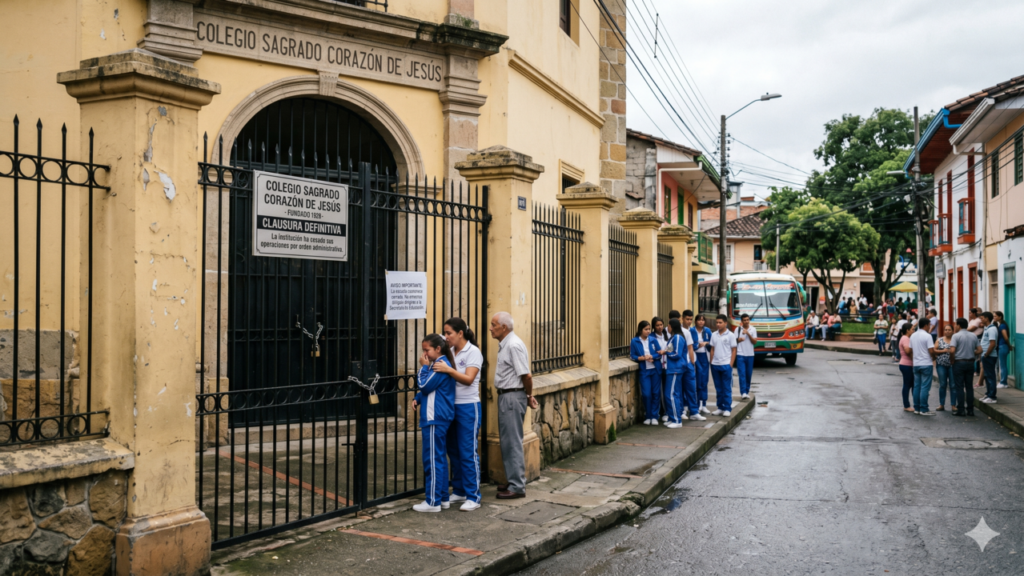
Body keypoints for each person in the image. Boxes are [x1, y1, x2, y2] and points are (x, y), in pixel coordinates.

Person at [434, 318, 483, 511]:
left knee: (467, 451)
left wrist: (449, 369)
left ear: (460, 333)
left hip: (468, 407)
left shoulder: (473, 352)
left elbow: (469, 379)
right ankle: (460, 490)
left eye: (449, 333)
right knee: (453, 450)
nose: (446, 337)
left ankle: (474, 496)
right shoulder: (450, 351)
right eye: (444, 333)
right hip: (450, 407)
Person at [488, 312, 537, 499]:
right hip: (508, 396)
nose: (491, 328)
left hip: (511, 397)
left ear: (504, 328)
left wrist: (529, 394)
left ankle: (517, 486)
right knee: (508, 441)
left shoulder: (513, 345)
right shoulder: (507, 344)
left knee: (512, 442)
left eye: (494, 325)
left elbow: (526, 375)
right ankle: (513, 480)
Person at [412, 334, 457, 512]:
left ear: (437, 349)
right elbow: (430, 389)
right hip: (437, 416)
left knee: (432, 459)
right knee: (438, 458)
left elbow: (425, 385)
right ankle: (443, 497)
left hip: (434, 417)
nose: (424, 354)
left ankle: (433, 501)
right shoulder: (439, 364)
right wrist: (418, 398)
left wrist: (423, 368)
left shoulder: (438, 365)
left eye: (427, 350)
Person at [665, 318, 702, 427]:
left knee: (672, 395)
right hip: (672, 369)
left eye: (668, 325)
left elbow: (676, 353)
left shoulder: (677, 337)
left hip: (675, 369)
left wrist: (666, 353)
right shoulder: (674, 337)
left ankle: (677, 420)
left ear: (672, 326)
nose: (667, 327)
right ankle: (672, 418)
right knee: (671, 394)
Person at [630, 320, 662, 425]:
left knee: (656, 393)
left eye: (649, 329)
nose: (648, 331)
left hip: (655, 370)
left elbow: (660, 353)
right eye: (646, 329)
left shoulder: (653, 340)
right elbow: (632, 356)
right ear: (640, 330)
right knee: (646, 394)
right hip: (644, 371)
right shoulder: (635, 341)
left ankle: (654, 416)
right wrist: (643, 358)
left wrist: (652, 356)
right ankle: (647, 415)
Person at [951, 317, 981, 417]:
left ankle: (961, 409)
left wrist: (952, 359)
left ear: (958, 325)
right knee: (969, 387)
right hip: (970, 363)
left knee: (959, 386)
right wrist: (972, 353)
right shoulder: (973, 336)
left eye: (956, 324)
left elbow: (952, 351)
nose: (955, 326)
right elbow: (980, 350)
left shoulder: (956, 336)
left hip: (959, 363)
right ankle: (970, 410)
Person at [708, 314, 736, 416]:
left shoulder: (731, 335)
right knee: (718, 388)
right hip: (715, 365)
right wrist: (711, 362)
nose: (718, 324)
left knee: (726, 388)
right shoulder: (714, 334)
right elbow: (712, 349)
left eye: (720, 323)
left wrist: (730, 364)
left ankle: (727, 408)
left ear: (725, 323)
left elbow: (734, 350)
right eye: (717, 323)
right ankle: (720, 407)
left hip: (726, 365)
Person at [909, 318, 936, 415]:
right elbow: (931, 351)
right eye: (929, 325)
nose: (930, 327)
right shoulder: (928, 336)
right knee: (925, 387)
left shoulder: (913, 336)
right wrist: (933, 358)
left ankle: (917, 408)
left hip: (916, 364)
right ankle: (924, 409)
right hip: (926, 363)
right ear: (925, 325)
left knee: (917, 386)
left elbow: (910, 350)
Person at [690, 314, 713, 415]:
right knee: (696, 381)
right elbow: (690, 345)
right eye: (699, 320)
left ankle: (703, 404)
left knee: (704, 380)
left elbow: (712, 344)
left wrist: (706, 343)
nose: (701, 322)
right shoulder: (691, 331)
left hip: (704, 356)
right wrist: (698, 345)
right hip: (695, 356)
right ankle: (696, 403)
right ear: (695, 321)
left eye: (703, 320)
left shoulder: (707, 331)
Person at [734, 313, 757, 400]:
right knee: (742, 374)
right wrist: (738, 340)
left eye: (748, 320)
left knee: (748, 374)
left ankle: (746, 391)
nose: (746, 321)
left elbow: (754, 342)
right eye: (745, 320)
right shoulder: (738, 329)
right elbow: (734, 341)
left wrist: (748, 333)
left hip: (750, 355)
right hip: (740, 354)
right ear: (742, 321)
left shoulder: (753, 329)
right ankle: (743, 392)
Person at [979, 312, 999, 404]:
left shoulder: (992, 329)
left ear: (987, 318)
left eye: (982, 318)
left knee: (990, 376)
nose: (981, 319)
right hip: (986, 355)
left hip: (989, 356)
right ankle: (988, 394)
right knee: (987, 376)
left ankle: (992, 396)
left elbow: (992, 344)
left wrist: (986, 354)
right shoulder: (987, 328)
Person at [651, 317, 668, 422]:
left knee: (667, 390)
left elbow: (671, 347)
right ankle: (658, 412)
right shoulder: (652, 337)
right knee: (658, 391)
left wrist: (665, 351)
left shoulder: (666, 335)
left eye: (661, 324)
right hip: (657, 366)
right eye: (657, 325)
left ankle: (666, 412)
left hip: (667, 366)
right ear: (654, 326)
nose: (660, 327)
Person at [934, 324, 955, 412]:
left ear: (952, 331)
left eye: (949, 330)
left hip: (952, 365)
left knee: (953, 385)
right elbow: (934, 350)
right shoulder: (939, 340)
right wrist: (944, 350)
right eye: (946, 330)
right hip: (941, 364)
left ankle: (953, 405)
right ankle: (941, 404)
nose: (947, 331)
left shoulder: (955, 340)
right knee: (942, 384)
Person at [898, 323, 915, 413]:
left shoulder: (906, 338)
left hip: (907, 364)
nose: (914, 331)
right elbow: (908, 350)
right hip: (906, 364)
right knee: (907, 385)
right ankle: (906, 405)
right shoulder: (905, 338)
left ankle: (914, 404)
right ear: (907, 330)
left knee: (911, 385)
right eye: (912, 329)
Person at [995, 311, 1013, 389]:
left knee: (1003, 365)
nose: (994, 318)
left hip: (1003, 346)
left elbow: (1005, 337)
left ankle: (1003, 382)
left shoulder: (1002, 326)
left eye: (995, 316)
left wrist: (1009, 345)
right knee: (1003, 365)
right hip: (1003, 346)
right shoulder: (1002, 325)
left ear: (1000, 317)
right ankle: (1003, 382)